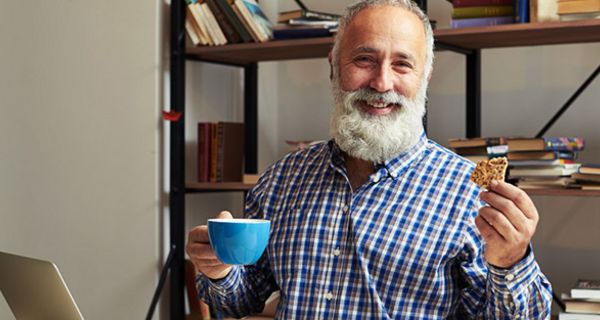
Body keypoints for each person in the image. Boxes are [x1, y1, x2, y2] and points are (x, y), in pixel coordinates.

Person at [186, 0, 553, 318]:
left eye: (402, 65)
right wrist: (218, 270)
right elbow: (238, 302)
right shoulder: (281, 180)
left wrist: (511, 261)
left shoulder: (471, 195)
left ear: (425, 76)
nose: (381, 83)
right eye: (364, 58)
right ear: (334, 65)